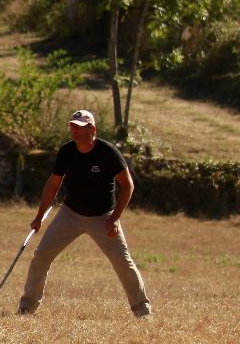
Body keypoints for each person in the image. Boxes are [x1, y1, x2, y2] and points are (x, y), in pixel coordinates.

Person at [18, 109, 152, 317]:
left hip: (103, 217)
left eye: (79, 127)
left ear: (92, 129)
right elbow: (54, 183)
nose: (75, 131)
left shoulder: (108, 152)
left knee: (123, 262)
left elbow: (128, 186)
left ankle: (142, 310)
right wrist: (39, 216)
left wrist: (115, 218)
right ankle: (27, 306)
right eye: (72, 126)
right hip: (70, 213)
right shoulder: (66, 152)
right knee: (42, 254)